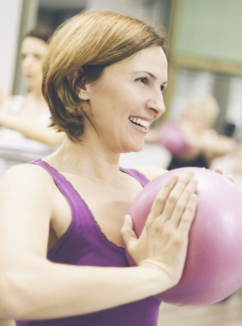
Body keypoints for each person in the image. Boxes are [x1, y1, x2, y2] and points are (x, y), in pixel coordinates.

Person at [0, 10, 216, 326]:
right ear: (80, 83)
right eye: (143, 80)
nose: (159, 105)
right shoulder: (32, 183)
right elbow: (14, 291)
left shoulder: (155, 187)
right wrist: (154, 274)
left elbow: (204, 279)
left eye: (162, 87)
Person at [0, 26, 64, 176]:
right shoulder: (12, 104)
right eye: (24, 56)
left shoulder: (65, 108)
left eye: (37, 56)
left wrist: (3, 117)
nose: (27, 63)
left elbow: (51, 137)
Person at [146, 97, 235, 170]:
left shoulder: (208, 140)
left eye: (196, 118)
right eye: (188, 116)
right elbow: (152, 136)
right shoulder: (178, 136)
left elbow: (229, 146)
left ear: (207, 122)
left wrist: (194, 142)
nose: (190, 121)